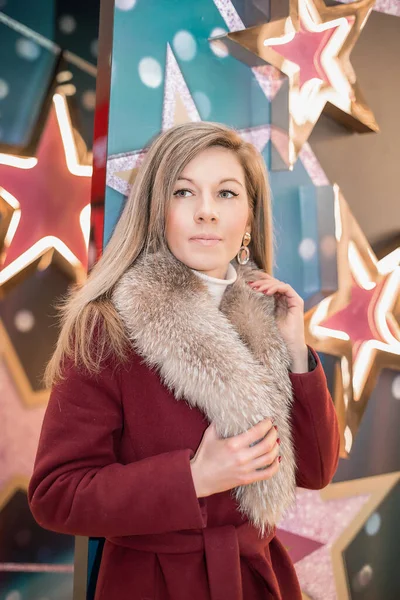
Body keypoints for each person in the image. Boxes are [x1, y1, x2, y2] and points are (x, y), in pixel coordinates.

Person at [28, 121, 340, 600]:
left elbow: (316, 472)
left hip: (258, 581)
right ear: (158, 211)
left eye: (227, 194)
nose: (206, 213)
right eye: (184, 191)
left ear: (249, 219)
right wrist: (192, 479)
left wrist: (294, 347)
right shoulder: (107, 326)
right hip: (152, 584)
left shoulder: (263, 314)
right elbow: (56, 495)